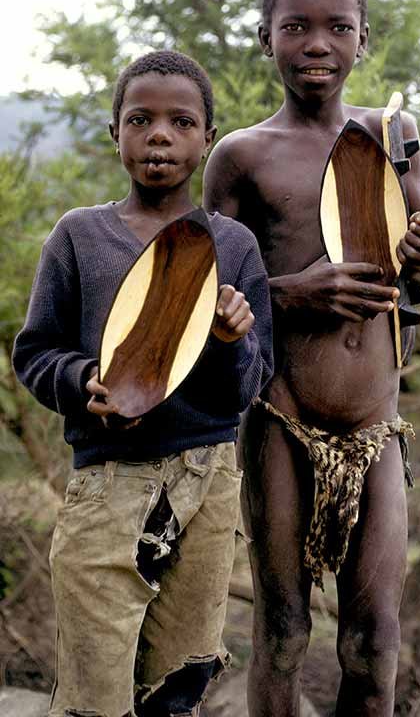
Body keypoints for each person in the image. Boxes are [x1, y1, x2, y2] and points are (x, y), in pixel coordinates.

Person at [203, 0, 420, 717]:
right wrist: (290, 292)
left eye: (337, 27)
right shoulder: (241, 156)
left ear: (363, 40)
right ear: (264, 37)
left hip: (376, 427)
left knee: (372, 640)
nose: (317, 43)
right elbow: (201, 297)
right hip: (281, 419)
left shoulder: (389, 136)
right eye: (295, 27)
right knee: (281, 630)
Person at [12, 50, 273, 717]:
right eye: (140, 119)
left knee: (176, 686)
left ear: (207, 139)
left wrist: (228, 342)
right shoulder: (79, 237)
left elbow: (247, 387)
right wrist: (82, 381)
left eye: (181, 121)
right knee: (95, 693)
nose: (159, 134)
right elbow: (36, 351)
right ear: (114, 133)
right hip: (106, 487)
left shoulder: (234, 248)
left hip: (207, 485)